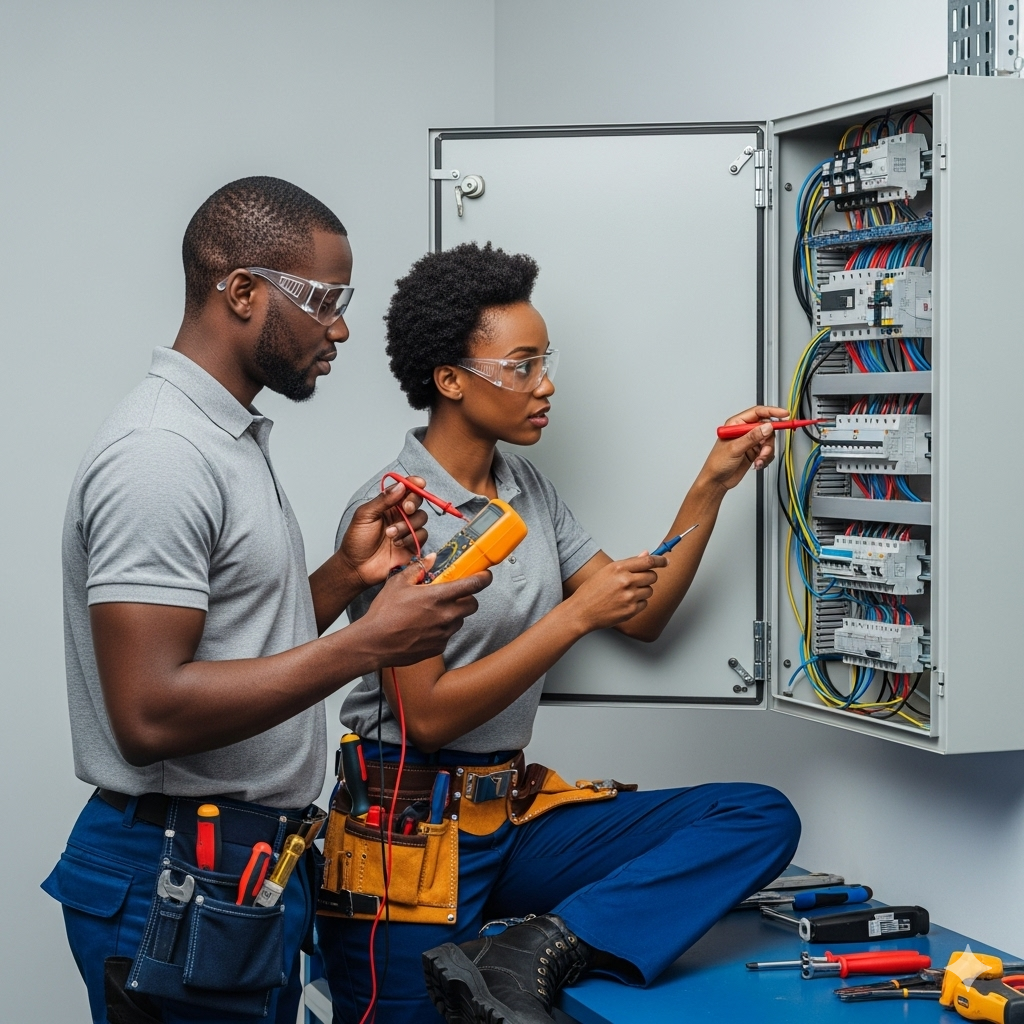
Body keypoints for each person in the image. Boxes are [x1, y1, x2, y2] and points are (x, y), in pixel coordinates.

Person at [317, 241, 802, 1024]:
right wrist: (576, 616)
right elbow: (428, 714)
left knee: (757, 816)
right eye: (522, 365)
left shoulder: (525, 487)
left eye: (545, 362)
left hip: (505, 824)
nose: (545, 385)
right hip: (406, 846)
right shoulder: (393, 515)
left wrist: (712, 482)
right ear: (450, 380)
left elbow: (640, 614)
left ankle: (542, 944)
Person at [42, 177, 490, 1024]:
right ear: (242, 291)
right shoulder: (162, 457)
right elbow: (149, 713)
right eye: (325, 299)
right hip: (178, 870)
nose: (343, 327)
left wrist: (343, 580)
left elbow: (231, 648)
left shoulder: (222, 438)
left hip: (231, 866)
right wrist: (368, 645)